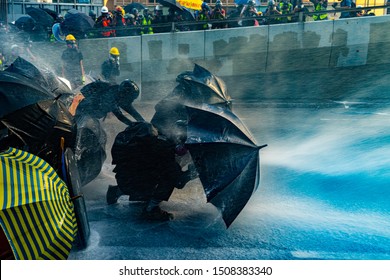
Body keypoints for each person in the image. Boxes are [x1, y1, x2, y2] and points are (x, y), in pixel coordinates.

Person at [107, 121, 197, 221]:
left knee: (151, 176)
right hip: (135, 182)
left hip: (125, 180)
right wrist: (192, 173)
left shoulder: (146, 143)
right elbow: (178, 181)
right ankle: (151, 209)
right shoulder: (163, 148)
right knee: (171, 176)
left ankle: (116, 191)